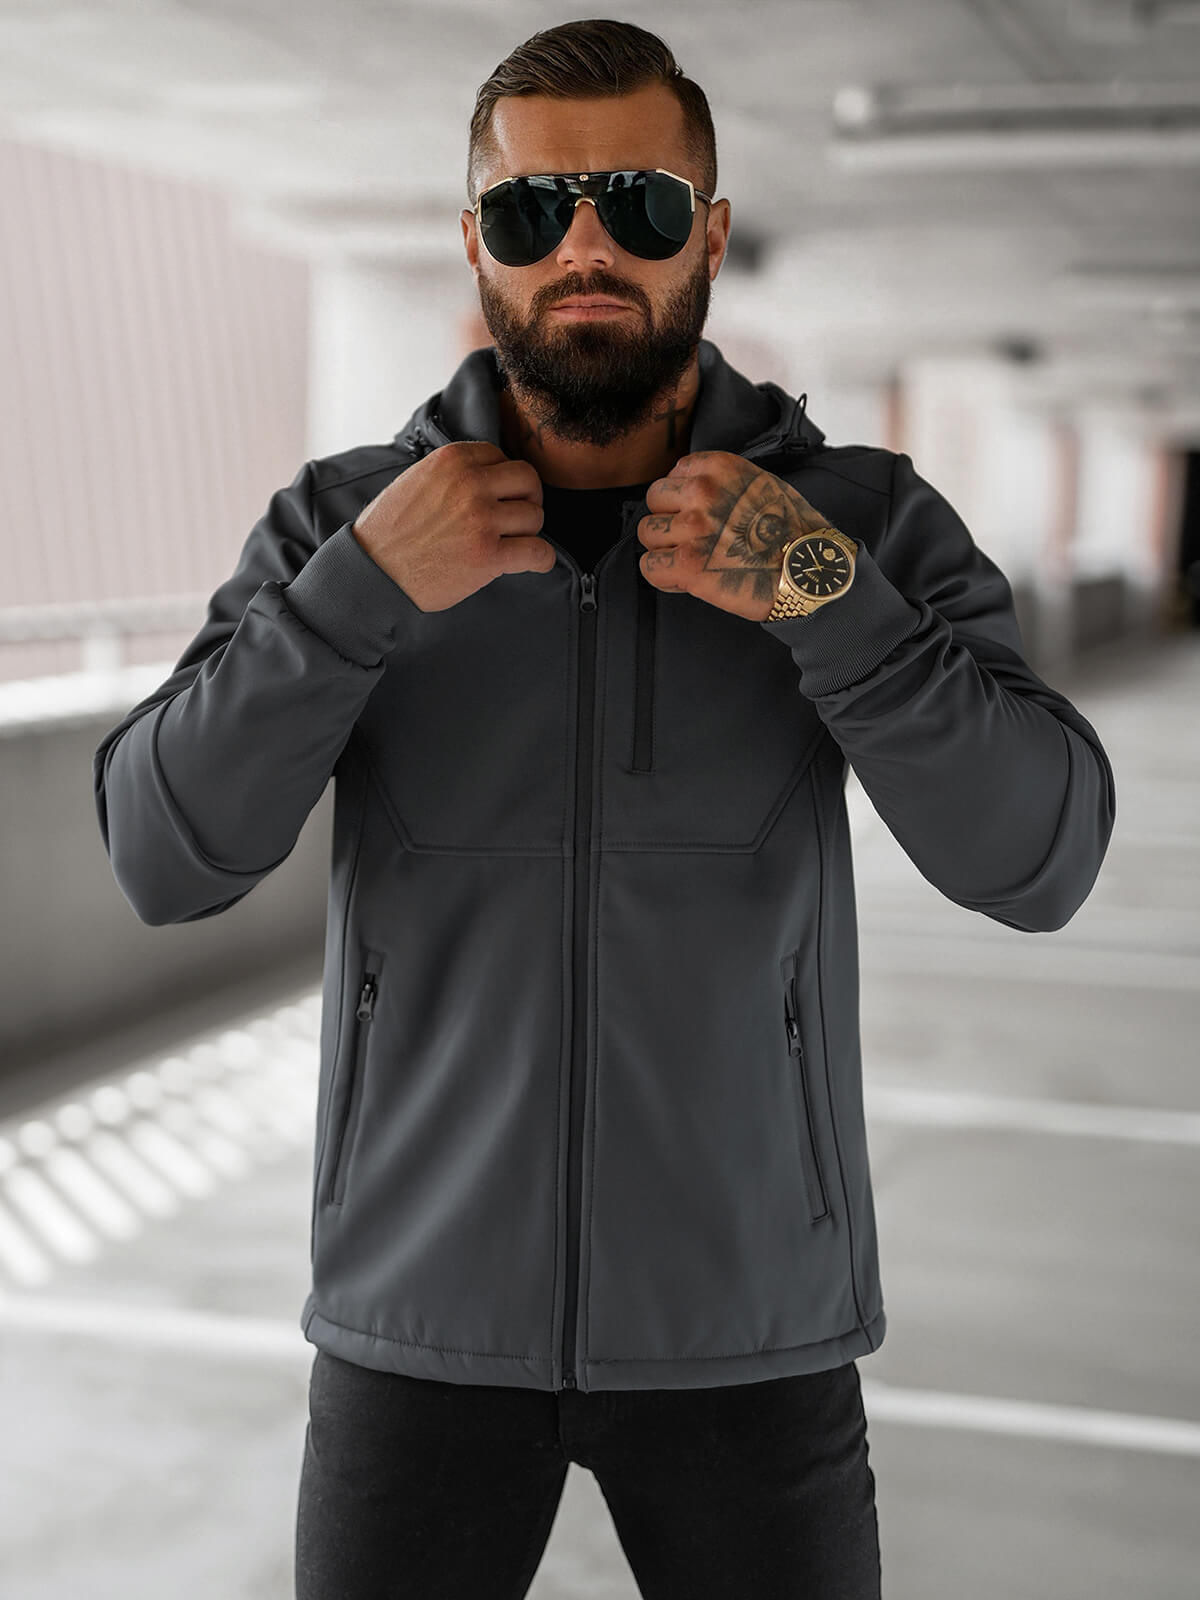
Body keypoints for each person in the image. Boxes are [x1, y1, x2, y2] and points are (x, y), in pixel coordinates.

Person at [92, 18, 1116, 1600]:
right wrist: (356, 597)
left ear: (708, 232)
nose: (584, 249)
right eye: (531, 210)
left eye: (636, 205)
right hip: (417, 1335)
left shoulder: (860, 522)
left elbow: (1038, 858)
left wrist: (826, 596)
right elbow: (162, 856)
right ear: (476, 244)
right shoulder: (342, 529)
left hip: (749, 1336)